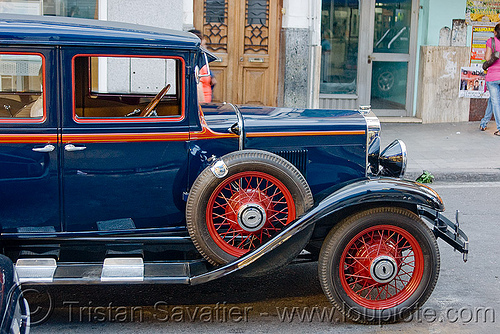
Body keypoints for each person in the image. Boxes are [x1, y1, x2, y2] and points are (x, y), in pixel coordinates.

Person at [482, 23, 500, 135]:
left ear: (495, 32)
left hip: (493, 77)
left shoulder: (491, 41)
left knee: (495, 101)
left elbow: (487, 58)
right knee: (492, 100)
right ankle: (484, 123)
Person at [189, 29, 216, 103]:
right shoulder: (195, 63)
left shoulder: (203, 62)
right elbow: (198, 86)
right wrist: (202, 105)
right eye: (203, 45)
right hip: (202, 102)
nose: (206, 48)